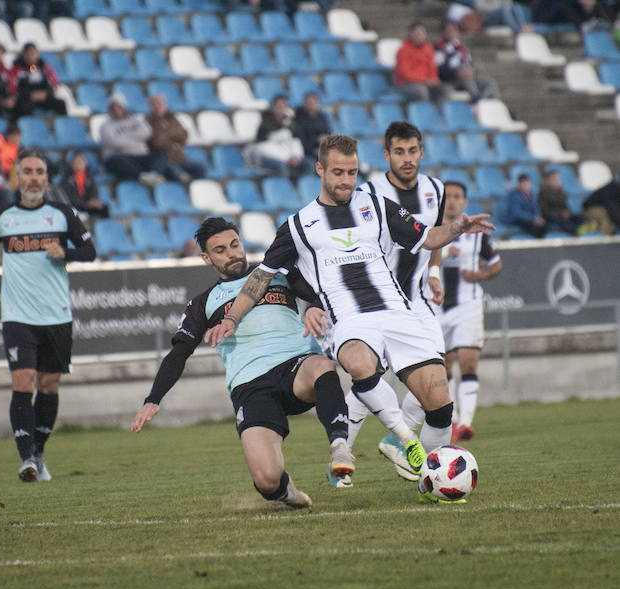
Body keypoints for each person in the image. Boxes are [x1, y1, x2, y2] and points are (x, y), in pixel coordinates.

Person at [204, 134, 495, 504]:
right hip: (348, 320)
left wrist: (454, 229)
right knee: (357, 362)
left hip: (397, 312)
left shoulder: (377, 205)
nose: (346, 180)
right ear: (320, 170)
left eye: (353, 172)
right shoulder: (298, 225)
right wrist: (231, 319)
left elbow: (425, 237)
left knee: (439, 402)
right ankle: (407, 442)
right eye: (338, 172)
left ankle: (430, 482)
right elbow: (260, 279)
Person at [132, 216, 355, 501]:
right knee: (266, 480)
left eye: (235, 244)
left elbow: (322, 294)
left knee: (323, 365)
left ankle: (339, 446)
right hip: (250, 385)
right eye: (220, 250)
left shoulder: (278, 274)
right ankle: (286, 492)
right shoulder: (203, 302)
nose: (232, 253)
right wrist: (153, 399)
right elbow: (178, 353)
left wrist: (312, 306)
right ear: (206, 258)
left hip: (296, 366)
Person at [0, 150, 96, 482]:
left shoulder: (62, 214)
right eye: (27, 171)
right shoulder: (2, 216)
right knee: (23, 381)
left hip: (56, 315)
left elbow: (90, 251)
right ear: (17, 176)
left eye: (39, 172)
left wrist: (66, 253)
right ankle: (26, 458)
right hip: (18, 315)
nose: (33, 177)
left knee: (49, 384)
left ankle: (39, 451)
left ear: (46, 178)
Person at [344, 122, 449, 483]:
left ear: (422, 151)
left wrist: (434, 274)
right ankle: (342, 458)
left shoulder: (436, 189)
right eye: (399, 152)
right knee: (369, 375)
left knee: (436, 374)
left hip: (418, 300)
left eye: (413, 151)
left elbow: (434, 238)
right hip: (380, 301)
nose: (407, 159)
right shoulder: (369, 193)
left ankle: (398, 441)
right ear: (386, 155)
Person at [437, 181, 502, 442]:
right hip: (435, 307)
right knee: (443, 365)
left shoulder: (477, 234)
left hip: (468, 305)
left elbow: (496, 264)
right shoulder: (432, 231)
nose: (451, 201)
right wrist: (441, 252)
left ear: (465, 202)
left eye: (457, 197)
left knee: (468, 361)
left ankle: (465, 423)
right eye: (447, 196)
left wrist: (480, 274)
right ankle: (451, 420)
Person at [99, 92, 173, 186]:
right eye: (113, 108)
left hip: (140, 156)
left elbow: (147, 132)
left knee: (161, 156)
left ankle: (152, 175)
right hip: (120, 156)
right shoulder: (105, 126)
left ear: (124, 107)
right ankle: (141, 177)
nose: (116, 110)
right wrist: (136, 139)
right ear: (109, 110)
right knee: (116, 161)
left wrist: (123, 137)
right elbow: (115, 143)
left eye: (119, 107)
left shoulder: (136, 119)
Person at [245, 94, 311, 177]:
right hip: (268, 158)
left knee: (310, 164)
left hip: (289, 156)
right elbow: (262, 148)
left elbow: (296, 142)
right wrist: (286, 158)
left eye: (284, 107)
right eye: (279, 107)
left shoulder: (291, 125)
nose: (281, 110)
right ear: (273, 108)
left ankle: (303, 187)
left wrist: (296, 156)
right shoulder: (265, 125)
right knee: (282, 167)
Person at [146, 93, 206, 181]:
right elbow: (157, 141)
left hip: (180, 160)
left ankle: (190, 187)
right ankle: (181, 180)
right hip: (163, 161)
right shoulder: (148, 121)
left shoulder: (172, 118)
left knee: (201, 168)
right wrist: (174, 141)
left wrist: (167, 136)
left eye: (159, 103)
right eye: (154, 104)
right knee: (173, 171)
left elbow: (184, 134)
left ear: (165, 104)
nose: (157, 106)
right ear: (150, 106)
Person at [434, 21, 498, 103]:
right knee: (468, 83)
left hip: (469, 78)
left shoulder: (462, 48)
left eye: (455, 30)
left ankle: (489, 104)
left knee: (489, 83)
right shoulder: (439, 49)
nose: (452, 32)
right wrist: (456, 73)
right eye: (449, 30)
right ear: (443, 33)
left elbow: (470, 64)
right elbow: (439, 70)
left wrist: (473, 71)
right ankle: (479, 103)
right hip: (451, 80)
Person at [394, 22, 451, 104]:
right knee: (421, 91)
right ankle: (423, 114)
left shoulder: (428, 48)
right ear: (410, 34)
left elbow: (432, 68)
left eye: (422, 33)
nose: (419, 35)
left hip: (426, 83)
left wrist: (433, 79)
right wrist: (424, 80)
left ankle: (438, 112)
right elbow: (405, 74)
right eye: (417, 33)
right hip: (407, 84)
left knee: (446, 89)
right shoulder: (403, 50)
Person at [14, 43, 67, 117]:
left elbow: (53, 84)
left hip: (43, 97)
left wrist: (46, 93)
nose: (31, 56)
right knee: (23, 107)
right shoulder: (16, 68)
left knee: (60, 104)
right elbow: (14, 87)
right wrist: (30, 94)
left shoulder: (43, 67)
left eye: (33, 53)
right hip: (26, 98)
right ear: (23, 54)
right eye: (28, 53)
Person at [59, 150, 108, 218]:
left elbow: (94, 190)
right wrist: (85, 204)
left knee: (104, 208)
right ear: (71, 164)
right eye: (75, 162)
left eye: (80, 162)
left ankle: (104, 226)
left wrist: (93, 200)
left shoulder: (89, 176)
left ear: (85, 163)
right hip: (76, 204)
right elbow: (70, 196)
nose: (78, 164)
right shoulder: (67, 178)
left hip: (88, 202)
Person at [538, 170, 583, 235]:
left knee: (579, 217)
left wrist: (566, 212)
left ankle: (584, 231)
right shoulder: (543, 194)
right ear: (548, 181)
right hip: (552, 217)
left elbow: (565, 206)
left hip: (562, 215)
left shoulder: (560, 192)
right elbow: (545, 211)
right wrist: (560, 214)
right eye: (554, 179)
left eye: (558, 179)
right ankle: (575, 236)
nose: (557, 181)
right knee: (567, 225)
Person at [504, 173, 546, 238]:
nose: (526, 185)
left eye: (527, 183)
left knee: (544, 225)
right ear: (519, 184)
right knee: (535, 228)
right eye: (523, 183)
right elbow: (517, 213)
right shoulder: (513, 195)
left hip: (529, 219)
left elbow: (536, 207)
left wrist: (538, 217)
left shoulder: (532, 194)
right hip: (516, 220)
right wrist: (533, 219)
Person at [293, 92, 331, 162]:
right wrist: (316, 140)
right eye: (309, 103)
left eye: (314, 103)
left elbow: (328, 133)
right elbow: (300, 140)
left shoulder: (322, 117)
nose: (311, 106)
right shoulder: (299, 119)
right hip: (307, 152)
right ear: (304, 104)